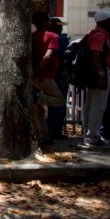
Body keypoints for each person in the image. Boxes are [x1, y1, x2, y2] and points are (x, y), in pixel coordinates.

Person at [79, 9, 110, 149]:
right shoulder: (100, 35)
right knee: (98, 106)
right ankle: (92, 138)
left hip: (92, 73)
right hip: (98, 73)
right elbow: (95, 54)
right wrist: (101, 73)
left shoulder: (93, 33)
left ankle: (89, 135)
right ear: (106, 22)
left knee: (90, 105)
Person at [30, 11, 64, 149]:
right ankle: (37, 98)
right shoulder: (53, 36)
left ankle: (43, 137)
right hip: (43, 76)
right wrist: (37, 72)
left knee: (38, 111)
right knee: (59, 99)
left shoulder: (32, 37)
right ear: (45, 22)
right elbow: (48, 56)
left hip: (34, 76)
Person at [47, 17, 70, 140]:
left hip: (48, 74)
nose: (61, 28)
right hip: (60, 74)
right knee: (59, 102)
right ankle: (55, 130)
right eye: (58, 26)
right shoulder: (61, 39)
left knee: (51, 103)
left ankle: (51, 129)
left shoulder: (44, 37)